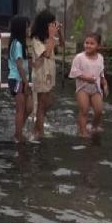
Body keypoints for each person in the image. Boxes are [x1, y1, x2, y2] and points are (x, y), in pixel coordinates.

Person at [69, 33, 109, 137]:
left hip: (95, 88)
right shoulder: (79, 57)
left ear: (98, 46)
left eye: (92, 43)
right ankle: (83, 131)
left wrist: (104, 82)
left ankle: (94, 127)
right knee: (84, 110)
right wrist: (86, 78)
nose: (88, 45)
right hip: (83, 88)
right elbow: (73, 72)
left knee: (99, 111)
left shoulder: (100, 57)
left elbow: (101, 72)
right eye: (87, 43)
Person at [30, 10, 62, 138]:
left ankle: (37, 126)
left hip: (49, 74)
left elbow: (63, 44)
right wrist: (51, 36)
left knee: (48, 102)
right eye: (51, 24)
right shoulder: (36, 40)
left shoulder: (49, 38)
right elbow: (47, 54)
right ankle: (39, 132)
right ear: (45, 25)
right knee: (42, 105)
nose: (53, 27)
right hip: (40, 74)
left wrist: (58, 31)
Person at [7, 15, 33, 143]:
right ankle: (18, 136)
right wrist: (26, 82)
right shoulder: (17, 44)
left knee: (29, 107)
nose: (29, 29)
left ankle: (18, 131)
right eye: (27, 27)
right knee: (21, 109)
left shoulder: (21, 44)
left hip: (22, 79)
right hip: (17, 80)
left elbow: (25, 64)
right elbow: (19, 65)